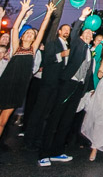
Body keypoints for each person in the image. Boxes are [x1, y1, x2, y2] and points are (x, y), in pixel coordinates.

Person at [0, 0, 54, 173]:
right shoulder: (14, 48)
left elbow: (43, 30)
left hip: (18, 91)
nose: (29, 36)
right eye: (27, 34)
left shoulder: (33, 51)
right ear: (22, 37)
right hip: (4, 88)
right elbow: (14, 29)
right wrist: (23, 11)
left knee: (2, 123)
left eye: (32, 35)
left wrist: (49, 14)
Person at [38, 7, 96, 167]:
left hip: (78, 88)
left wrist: (88, 89)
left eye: (91, 34)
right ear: (82, 34)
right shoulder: (77, 43)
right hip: (67, 84)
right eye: (87, 32)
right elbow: (75, 29)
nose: (89, 35)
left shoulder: (90, 52)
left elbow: (88, 73)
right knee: (55, 118)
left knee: (66, 121)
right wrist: (82, 17)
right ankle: (43, 154)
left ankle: (57, 152)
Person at [24, 21, 71, 149]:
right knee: (38, 110)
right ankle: (28, 139)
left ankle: (39, 138)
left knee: (47, 113)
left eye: (68, 30)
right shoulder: (53, 44)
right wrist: (61, 55)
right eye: (64, 29)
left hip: (57, 84)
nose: (67, 31)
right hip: (48, 82)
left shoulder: (68, 46)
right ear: (59, 32)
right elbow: (47, 60)